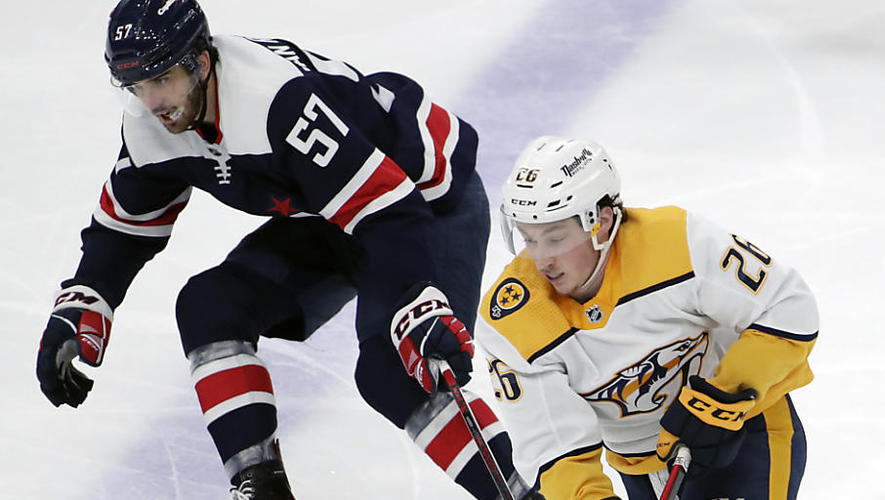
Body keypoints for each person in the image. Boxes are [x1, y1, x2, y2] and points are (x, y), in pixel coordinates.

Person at [34, 1, 542, 498]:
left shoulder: (274, 102)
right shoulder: (151, 124)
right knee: (209, 307)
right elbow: (125, 228)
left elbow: (388, 211)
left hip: (421, 201)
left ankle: (523, 494)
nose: (152, 102)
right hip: (330, 210)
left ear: (202, 63)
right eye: (136, 85)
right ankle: (262, 487)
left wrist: (416, 300)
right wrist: (87, 298)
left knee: (396, 371)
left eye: (162, 78)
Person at [476, 136, 818, 499]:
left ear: (601, 222)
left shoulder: (675, 243)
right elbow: (554, 451)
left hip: (743, 434)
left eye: (556, 238)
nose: (542, 260)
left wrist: (720, 399)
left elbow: (787, 305)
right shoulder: (512, 320)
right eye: (529, 239)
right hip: (640, 466)